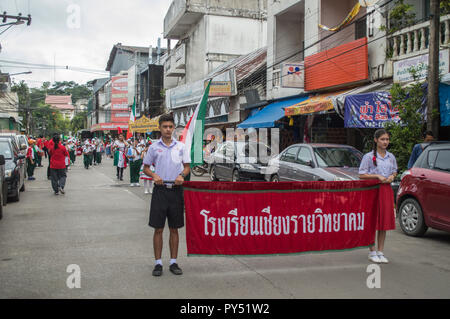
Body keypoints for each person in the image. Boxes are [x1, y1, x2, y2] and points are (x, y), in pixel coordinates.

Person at [143, 114, 190, 277]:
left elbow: (187, 167)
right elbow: (146, 167)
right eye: (165, 126)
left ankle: (173, 262)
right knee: (158, 228)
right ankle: (158, 263)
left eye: (170, 126)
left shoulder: (181, 146)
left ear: (173, 128)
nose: (168, 129)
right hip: (160, 191)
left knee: (174, 229)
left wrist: (181, 176)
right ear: (160, 128)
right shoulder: (154, 147)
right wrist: (154, 176)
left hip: (176, 191)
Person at [359, 128, 398, 264]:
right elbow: (361, 174)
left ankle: (381, 251)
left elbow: (394, 171)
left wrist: (392, 177)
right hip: (373, 191)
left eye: (387, 139)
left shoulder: (391, 156)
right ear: (376, 140)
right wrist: (377, 176)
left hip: (386, 190)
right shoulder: (368, 157)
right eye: (382, 139)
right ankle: (372, 251)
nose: (385, 142)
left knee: (384, 222)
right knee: (372, 221)